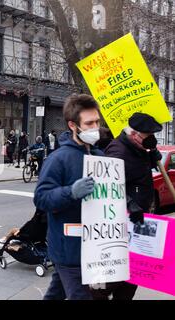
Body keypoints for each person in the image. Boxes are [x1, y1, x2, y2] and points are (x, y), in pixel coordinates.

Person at [34, 94, 103, 300]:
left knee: (57, 292)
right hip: (69, 249)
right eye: (89, 123)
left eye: (97, 122)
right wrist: (70, 192)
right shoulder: (58, 159)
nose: (95, 127)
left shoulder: (99, 156)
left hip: (93, 243)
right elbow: (41, 198)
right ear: (73, 125)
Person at [91, 112, 163, 300]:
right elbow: (106, 186)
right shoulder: (118, 152)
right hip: (122, 227)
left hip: (138, 225)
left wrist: (151, 158)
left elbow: (135, 174)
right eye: (149, 137)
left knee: (133, 278)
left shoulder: (137, 149)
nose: (152, 140)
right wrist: (131, 204)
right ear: (134, 134)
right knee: (107, 283)